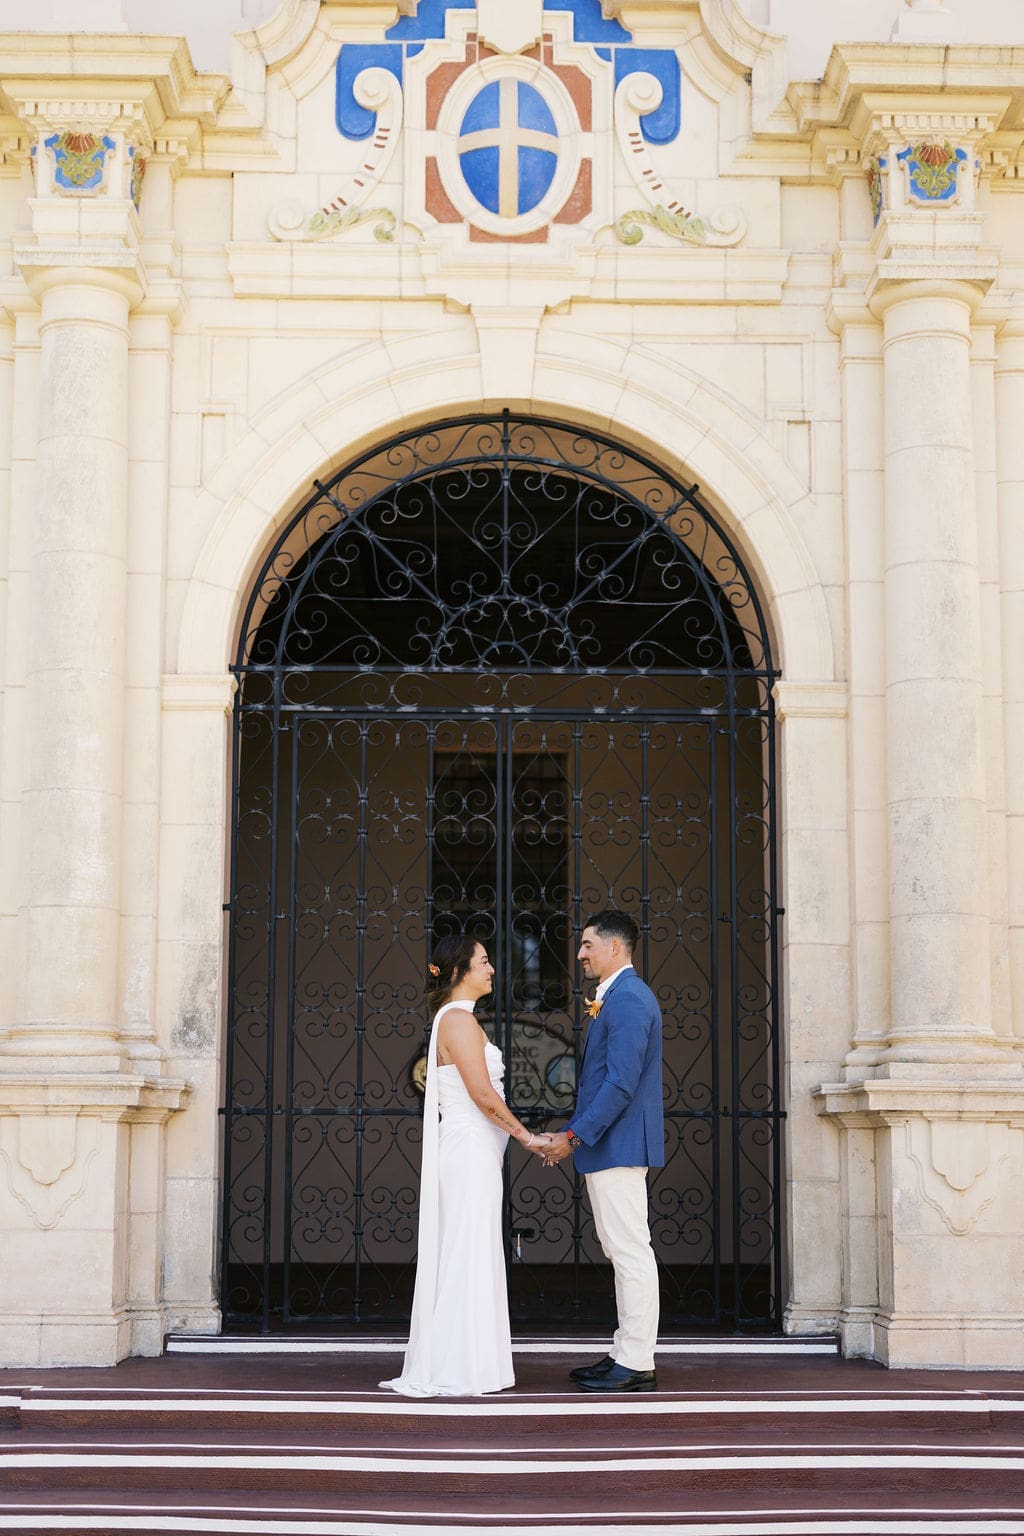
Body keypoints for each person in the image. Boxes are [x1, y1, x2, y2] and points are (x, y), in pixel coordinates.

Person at [381, 934, 553, 1397]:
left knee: (470, 1247)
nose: (492, 969)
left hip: (475, 1148)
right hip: (470, 1147)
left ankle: (466, 1359)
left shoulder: (456, 1020)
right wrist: (528, 1137)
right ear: (457, 971)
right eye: (482, 961)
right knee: (468, 1249)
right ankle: (460, 1365)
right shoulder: (457, 1021)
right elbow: (481, 1095)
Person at [542, 910, 664, 1393]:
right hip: (610, 1142)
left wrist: (572, 1137)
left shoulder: (630, 999)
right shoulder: (617, 998)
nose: (581, 953)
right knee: (621, 1249)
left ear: (616, 947)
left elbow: (618, 1085)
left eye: (588, 944)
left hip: (619, 1143)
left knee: (630, 1251)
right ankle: (624, 1350)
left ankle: (636, 1361)